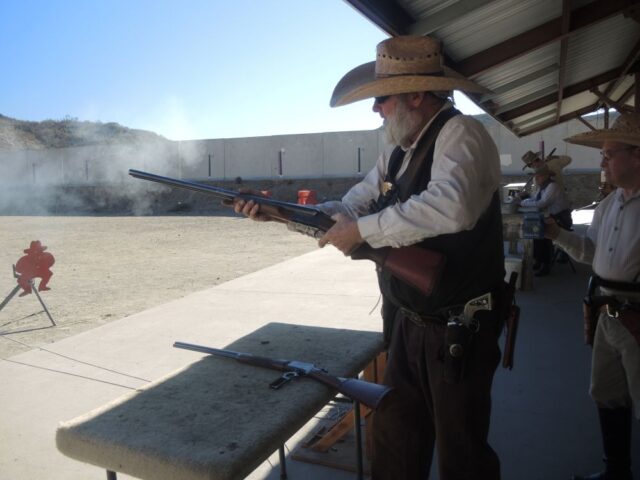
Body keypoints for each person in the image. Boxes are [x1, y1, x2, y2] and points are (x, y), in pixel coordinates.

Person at [232, 35, 506, 480]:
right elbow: (348, 209)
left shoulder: (461, 133)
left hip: (462, 325)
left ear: (416, 94)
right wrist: (278, 214)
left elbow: (451, 206)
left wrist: (361, 230)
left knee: (463, 454)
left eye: (383, 98)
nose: (376, 109)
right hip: (408, 321)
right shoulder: (398, 152)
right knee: (395, 443)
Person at [545, 112, 640, 480]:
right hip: (606, 314)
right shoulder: (608, 204)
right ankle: (616, 471)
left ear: (636, 156)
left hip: (637, 315)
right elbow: (591, 252)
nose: (602, 162)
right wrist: (557, 235)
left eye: (609, 154)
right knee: (606, 392)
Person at [518, 164, 573, 276]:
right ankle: (539, 260)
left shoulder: (553, 186)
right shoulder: (543, 187)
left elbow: (541, 203)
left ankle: (545, 264)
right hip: (552, 217)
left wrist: (522, 203)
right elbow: (534, 199)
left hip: (561, 219)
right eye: (536, 176)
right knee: (534, 229)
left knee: (541, 232)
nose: (536, 179)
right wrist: (524, 200)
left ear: (546, 176)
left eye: (538, 176)